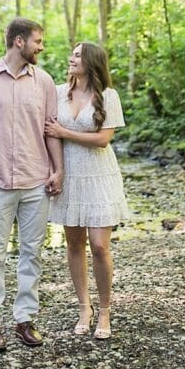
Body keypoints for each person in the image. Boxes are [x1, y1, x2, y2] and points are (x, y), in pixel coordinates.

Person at [0, 17, 65, 352]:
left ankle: (24, 320)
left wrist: (58, 170)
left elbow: (51, 129)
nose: (41, 47)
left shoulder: (45, 82)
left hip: (36, 181)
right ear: (19, 42)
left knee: (31, 254)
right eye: (37, 41)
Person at [45, 41, 130, 339]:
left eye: (78, 55)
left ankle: (105, 310)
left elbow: (103, 139)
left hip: (99, 176)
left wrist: (65, 132)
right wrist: (56, 170)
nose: (71, 57)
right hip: (69, 175)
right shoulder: (56, 92)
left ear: (92, 61)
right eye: (72, 53)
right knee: (73, 243)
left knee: (99, 246)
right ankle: (85, 307)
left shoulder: (108, 96)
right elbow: (49, 134)